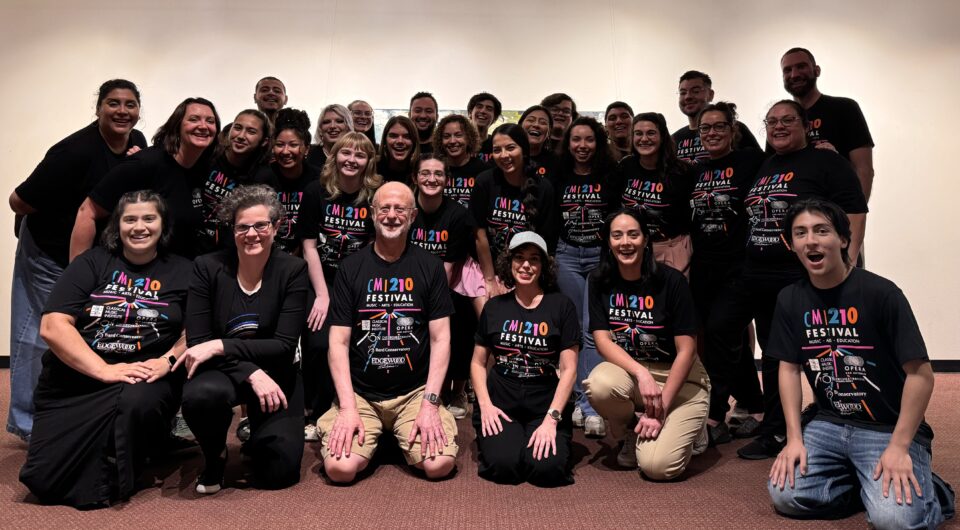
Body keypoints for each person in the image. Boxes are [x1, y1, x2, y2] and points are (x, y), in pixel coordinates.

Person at [767, 198, 954, 529]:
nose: (811, 240)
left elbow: (921, 376)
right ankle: (866, 484)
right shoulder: (789, 299)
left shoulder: (881, 294)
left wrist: (899, 446)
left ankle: (932, 491)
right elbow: (789, 369)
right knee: (786, 495)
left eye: (821, 230)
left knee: (895, 521)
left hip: (887, 427)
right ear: (790, 244)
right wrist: (794, 437)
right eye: (800, 233)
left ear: (842, 239)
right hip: (827, 423)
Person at [19, 191, 191, 508]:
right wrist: (103, 369)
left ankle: (125, 463)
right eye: (130, 219)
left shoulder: (184, 271)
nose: (139, 227)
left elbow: (196, 328)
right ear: (117, 225)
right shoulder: (91, 263)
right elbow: (53, 326)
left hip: (143, 376)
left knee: (136, 401)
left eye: (149, 218)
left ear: (163, 224)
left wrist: (168, 360)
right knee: (44, 479)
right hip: (79, 378)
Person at [7, 79, 147, 441]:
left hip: (90, 255)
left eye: (130, 105)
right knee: (39, 332)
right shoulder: (73, 152)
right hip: (48, 250)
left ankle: (70, 413)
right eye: (113, 103)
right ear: (98, 107)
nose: (122, 111)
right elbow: (18, 202)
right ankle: (27, 424)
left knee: (82, 331)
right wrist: (66, 209)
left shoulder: (137, 143)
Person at [736, 100, 868, 460]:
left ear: (806, 125)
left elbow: (854, 210)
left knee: (819, 351)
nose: (779, 126)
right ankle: (777, 429)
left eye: (788, 120)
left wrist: (848, 260)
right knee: (775, 353)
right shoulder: (766, 165)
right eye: (772, 121)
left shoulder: (827, 162)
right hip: (760, 277)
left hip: (800, 275)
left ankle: (840, 419)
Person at [317, 182, 458, 483]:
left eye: (400, 209)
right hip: (361, 394)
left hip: (414, 394)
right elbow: (338, 342)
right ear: (372, 213)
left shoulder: (430, 266)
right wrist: (346, 407)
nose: (391, 215)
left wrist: (431, 404)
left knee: (438, 466)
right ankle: (378, 436)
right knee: (340, 471)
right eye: (385, 208)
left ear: (412, 216)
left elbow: (441, 338)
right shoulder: (351, 267)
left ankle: (390, 435)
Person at [178, 184, 308, 493]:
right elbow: (199, 342)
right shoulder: (207, 267)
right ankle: (215, 454)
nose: (252, 234)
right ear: (232, 230)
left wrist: (222, 344)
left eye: (261, 225)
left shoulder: (294, 269)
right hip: (222, 371)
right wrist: (249, 371)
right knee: (201, 395)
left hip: (276, 372)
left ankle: (257, 433)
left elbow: (283, 346)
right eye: (242, 227)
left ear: (276, 226)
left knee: (279, 474)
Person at [584, 208, 709, 480]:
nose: (625, 242)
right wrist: (640, 373)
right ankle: (632, 428)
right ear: (608, 241)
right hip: (636, 374)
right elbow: (602, 340)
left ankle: (691, 425)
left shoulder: (671, 281)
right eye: (617, 236)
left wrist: (660, 409)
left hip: (681, 377)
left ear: (645, 239)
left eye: (633, 234)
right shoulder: (599, 280)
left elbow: (687, 351)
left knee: (657, 468)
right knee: (599, 385)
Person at [471, 231, 579, 486]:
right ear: (509, 264)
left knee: (546, 470)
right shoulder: (495, 307)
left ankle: (544, 438)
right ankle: (510, 440)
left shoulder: (562, 306)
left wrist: (552, 419)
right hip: (501, 400)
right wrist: (485, 405)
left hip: (544, 402)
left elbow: (569, 368)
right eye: (519, 258)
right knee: (504, 466)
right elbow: (477, 362)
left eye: (534, 259)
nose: (526, 265)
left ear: (544, 266)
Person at [689, 102, 766, 444]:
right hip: (704, 266)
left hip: (740, 265)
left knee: (723, 329)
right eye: (705, 128)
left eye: (719, 126)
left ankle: (715, 412)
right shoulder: (696, 170)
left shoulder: (750, 161)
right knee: (720, 337)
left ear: (733, 130)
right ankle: (753, 403)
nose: (712, 133)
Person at [70, 97, 220, 262]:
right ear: (177, 126)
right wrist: (77, 274)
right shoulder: (145, 164)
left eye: (210, 121)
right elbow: (88, 212)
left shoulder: (202, 169)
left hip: (175, 271)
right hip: (130, 273)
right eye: (194, 119)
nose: (203, 126)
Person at [298, 132, 380, 432]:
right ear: (334, 156)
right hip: (322, 280)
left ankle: (354, 405)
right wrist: (322, 295)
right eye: (346, 153)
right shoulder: (315, 191)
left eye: (360, 155)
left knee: (360, 342)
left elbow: (377, 247)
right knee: (319, 341)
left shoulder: (375, 195)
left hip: (361, 283)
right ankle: (316, 411)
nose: (352, 160)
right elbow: (308, 245)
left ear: (369, 161)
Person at [552, 116, 621, 438]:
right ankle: (580, 401)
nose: (582, 146)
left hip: (598, 255)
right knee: (575, 329)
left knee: (593, 327)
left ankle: (592, 405)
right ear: (568, 144)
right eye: (576, 140)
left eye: (589, 140)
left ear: (599, 143)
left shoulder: (611, 175)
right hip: (566, 255)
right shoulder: (559, 176)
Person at [409, 155, 478, 419]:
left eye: (438, 174)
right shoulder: (406, 209)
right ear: (415, 178)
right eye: (425, 173)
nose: (431, 179)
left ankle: (458, 388)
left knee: (460, 316)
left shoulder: (457, 214)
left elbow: (449, 267)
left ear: (446, 180)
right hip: (407, 284)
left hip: (446, 283)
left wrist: (429, 301)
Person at [470, 123, 558, 298]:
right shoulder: (484, 181)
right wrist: (490, 280)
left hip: (526, 270)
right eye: (497, 150)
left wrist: (519, 278)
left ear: (524, 150)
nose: (504, 155)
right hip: (486, 267)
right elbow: (479, 234)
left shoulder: (543, 188)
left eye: (511, 148)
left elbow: (546, 241)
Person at [780, 47, 875, 201]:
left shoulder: (844, 108)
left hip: (835, 210)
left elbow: (864, 169)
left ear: (817, 70)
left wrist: (856, 216)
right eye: (787, 70)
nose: (794, 74)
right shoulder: (780, 120)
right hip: (792, 213)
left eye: (801, 66)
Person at [618, 112, 696, 278]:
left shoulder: (682, 171)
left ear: (662, 136)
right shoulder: (626, 166)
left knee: (671, 301)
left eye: (651, 133)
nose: (644, 139)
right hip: (634, 248)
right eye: (638, 133)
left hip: (671, 248)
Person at [196, 109, 272, 254]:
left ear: (264, 141)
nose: (241, 136)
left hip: (231, 253)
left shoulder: (264, 176)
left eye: (251, 131)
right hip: (193, 245)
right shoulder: (208, 157)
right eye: (237, 128)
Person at [253, 108, 318, 255]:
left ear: (306, 149)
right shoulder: (262, 177)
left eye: (293, 145)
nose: (285, 151)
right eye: (280, 144)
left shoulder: (317, 179)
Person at [671, 70, 760, 164]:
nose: (688, 97)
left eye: (696, 91)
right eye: (683, 93)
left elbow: (760, 164)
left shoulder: (735, 128)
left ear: (710, 95)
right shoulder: (673, 139)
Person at [433, 113, 487, 208]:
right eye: (446, 136)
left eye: (458, 135)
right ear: (440, 141)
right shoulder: (434, 169)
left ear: (468, 138)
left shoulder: (483, 170)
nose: (452, 141)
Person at [306, 104, 353, 171]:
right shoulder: (308, 154)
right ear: (320, 129)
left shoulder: (357, 154)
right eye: (326, 122)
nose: (332, 126)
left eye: (339, 121)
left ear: (349, 127)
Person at [519, 105, 559, 181]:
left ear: (549, 131)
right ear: (520, 125)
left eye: (543, 122)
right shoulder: (508, 155)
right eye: (531, 120)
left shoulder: (556, 162)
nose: (536, 125)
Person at [376, 115, 420, 184]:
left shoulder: (421, 171)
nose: (400, 141)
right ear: (385, 140)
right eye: (393, 136)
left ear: (414, 142)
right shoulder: (372, 169)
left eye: (407, 137)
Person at [467, 92, 502, 159]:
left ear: (495, 118)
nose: (483, 111)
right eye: (479, 107)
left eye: (489, 109)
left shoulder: (498, 144)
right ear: (470, 113)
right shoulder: (459, 142)